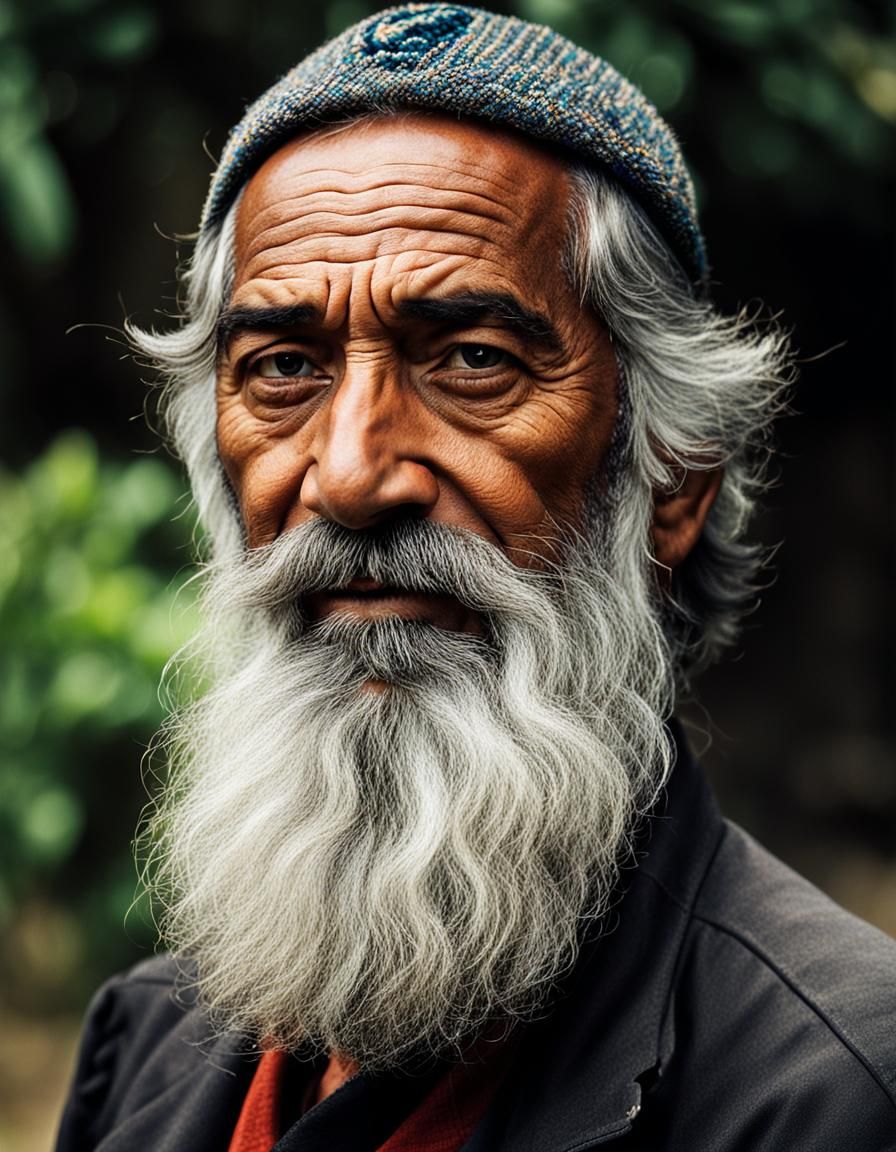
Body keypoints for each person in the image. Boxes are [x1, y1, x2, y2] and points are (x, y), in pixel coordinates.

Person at [56, 5, 896, 1150]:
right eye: (284, 368)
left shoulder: (834, 1094)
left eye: (471, 361)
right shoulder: (147, 1044)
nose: (350, 475)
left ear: (670, 482)